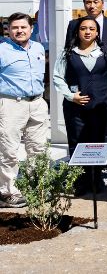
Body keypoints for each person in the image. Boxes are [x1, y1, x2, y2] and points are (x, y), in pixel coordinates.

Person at [53, 16, 107, 194]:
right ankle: (81, 181)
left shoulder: (106, 52)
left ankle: (96, 179)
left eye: (91, 28)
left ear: (97, 33)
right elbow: (58, 77)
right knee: (77, 142)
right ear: (77, 31)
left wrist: (101, 90)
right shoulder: (67, 53)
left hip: (101, 106)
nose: (87, 31)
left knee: (98, 141)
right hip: (75, 107)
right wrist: (71, 95)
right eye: (83, 28)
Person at [0, 13, 47, 208]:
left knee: (38, 148)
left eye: (23, 27)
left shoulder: (38, 47)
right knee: (9, 149)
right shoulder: (2, 50)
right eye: (15, 28)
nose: (19, 31)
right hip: (11, 104)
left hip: (37, 103)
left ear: (31, 29)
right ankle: (7, 192)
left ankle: (35, 187)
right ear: (8, 30)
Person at [66, 0, 107, 143]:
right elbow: (68, 55)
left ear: (102, 4)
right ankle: (83, 163)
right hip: (82, 86)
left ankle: (105, 161)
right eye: (88, 2)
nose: (92, 6)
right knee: (81, 125)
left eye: (95, 2)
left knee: (106, 123)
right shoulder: (74, 25)